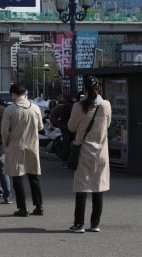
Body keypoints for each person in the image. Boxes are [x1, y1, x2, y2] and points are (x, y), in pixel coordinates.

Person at [67, 76, 111, 233]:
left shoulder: (78, 106)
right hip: (101, 152)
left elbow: (71, 127)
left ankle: (79, 224)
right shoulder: (106, 105)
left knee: (82, 187)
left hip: (84, 151)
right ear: (99, 89)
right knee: (98, 187)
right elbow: (108, 124)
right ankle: (95, 224)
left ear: (84, 89)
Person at [1, 83, 44, 217]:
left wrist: (6, 143)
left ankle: (22, 208)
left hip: (16, 146)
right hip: (32, 146)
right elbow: (40, 127)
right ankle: (38, 206)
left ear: (13, 95)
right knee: (33, 177)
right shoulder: (35, 108)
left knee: (17, 177)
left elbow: (4, 131)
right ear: (25, 93)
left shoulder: (10, 109)